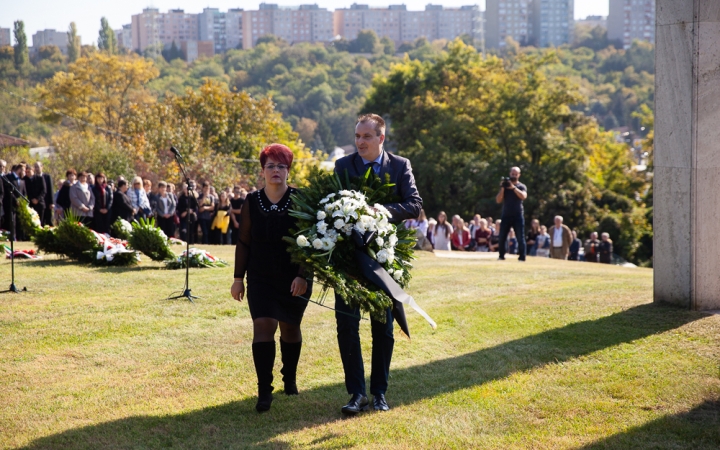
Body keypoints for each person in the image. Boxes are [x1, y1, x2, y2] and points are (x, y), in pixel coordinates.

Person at [333, 113, 422, 415]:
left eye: (366, 137)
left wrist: (380, 211)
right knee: (346, 325)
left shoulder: (400, 166)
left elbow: (414, 205)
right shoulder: (343, 166)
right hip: (349, 260)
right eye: (357, 136)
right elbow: (330, 206)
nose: (359, 142)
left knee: (383, 327)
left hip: (384, 259)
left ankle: (379, 393)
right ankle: (356, 393)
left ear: (381, 138)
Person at [231, 144, 311, 413]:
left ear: (288, 170)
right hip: (261, 276)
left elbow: (309, 243)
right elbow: (243, 241)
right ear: (263, 171)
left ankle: (290, 378)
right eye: (270, 166)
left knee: (289, 327)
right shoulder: (252, 201)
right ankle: (264, 390)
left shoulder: (300, 200)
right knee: (263, 324)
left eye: (281, 166)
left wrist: (303, 276)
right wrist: (238, 278)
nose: (275, 171)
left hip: (293, 276)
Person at [495, 167, 527, 261]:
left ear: (519, 175)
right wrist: (503, 189)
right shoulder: (505, 187)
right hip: (506, 215)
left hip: (518, 215)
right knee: (502, 236)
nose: (513, 175)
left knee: (520, 237)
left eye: (515, 174)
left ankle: (522, 257)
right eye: (512, 174)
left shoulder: (521, 186)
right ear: (510, 173)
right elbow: (498, 200)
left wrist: (513, 188)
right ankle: (501, 256)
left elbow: (523, 196)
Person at [2, 164, 27, 241]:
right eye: (23, 170)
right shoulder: (8, 177)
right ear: (18, 169)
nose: (24, 172)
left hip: (19, 205)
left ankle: (18, 237)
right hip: (10, 204)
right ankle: (12, 237)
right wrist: (16, 200)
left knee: (18, 222)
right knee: (11, 221)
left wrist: (23, 201)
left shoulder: (22, 180)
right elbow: (8, 191)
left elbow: (24, 192)